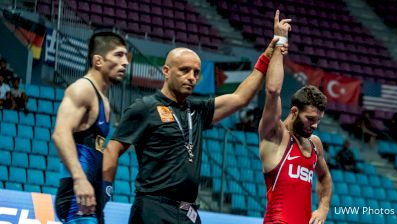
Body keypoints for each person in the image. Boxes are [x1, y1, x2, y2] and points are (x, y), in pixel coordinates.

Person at [102, 10, 289, 224]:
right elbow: (112, 149)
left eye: (196, 72)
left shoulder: (197, 111)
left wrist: (269, 52)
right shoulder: (145, 108)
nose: (191, 77)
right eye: (184, 70)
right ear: (166, 71)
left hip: (189, 213)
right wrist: (105, 190)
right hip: (153, 208)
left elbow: (240, 97)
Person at [258, 14, 332, 223]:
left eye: (319, 119)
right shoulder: (274, 135)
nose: (315, 125)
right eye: (310, 119)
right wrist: (280, 41)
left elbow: (325, 177)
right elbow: (273, 90)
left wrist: (323, 207)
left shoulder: (315, 145)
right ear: (293, 112)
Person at [52, 31, 128, 224]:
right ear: (98, 61)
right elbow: (61, 134)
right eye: (119, 55)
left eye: (126, 56)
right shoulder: (82, 90)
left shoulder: (104, 100)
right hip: (76, 197)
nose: (125, 62)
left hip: (90, 197)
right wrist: (80, 180)